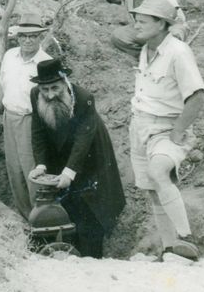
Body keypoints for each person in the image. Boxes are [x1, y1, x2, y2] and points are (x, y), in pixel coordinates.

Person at [126, 0, 204, 260]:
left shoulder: (178, 51)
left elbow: (196, 96)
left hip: (166, 128)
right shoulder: (146, 49)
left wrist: (178, 132)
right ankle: (171, 249)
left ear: (161, 24)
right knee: (153, 188)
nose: (136, 25)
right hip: (139, 127)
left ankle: (186, 239)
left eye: (143, 21)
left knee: (158, 171)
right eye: (136, 20)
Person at [28, 59, 125, 259]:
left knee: (90, 208)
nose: (50, 94)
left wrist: (69, 171)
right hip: (60, 149)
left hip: (91, 152)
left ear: (65, 82)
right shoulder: (35, 95)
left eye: (54, 88)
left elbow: (83, 140)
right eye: (45, 89)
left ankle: (92, 258)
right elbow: (37, 131)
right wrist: (41, 164)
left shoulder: (84, 98)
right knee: (67, 204)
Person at [0, 12, 53, 218]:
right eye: (24, 36)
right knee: (14, 170)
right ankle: (25, 217)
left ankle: (40, 217)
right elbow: (1, 87)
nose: (28, 40)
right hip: (9, 118)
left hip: (31, 121)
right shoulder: (9, 56)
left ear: (40, 37)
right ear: (18, 37)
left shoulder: (46, 63)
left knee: (32, 171)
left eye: (33, 36)